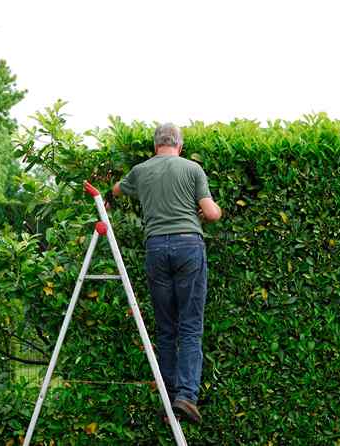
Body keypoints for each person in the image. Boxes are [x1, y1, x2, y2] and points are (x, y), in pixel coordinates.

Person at [111, 123, 222, 424]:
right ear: (180, 145)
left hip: (156, 247)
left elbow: (116, 190)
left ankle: (168, 396)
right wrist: (208, 212)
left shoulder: (141, 170)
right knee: (190, 325)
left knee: (166, 327)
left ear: (155, 145)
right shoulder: (192, 169)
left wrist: (122, 188)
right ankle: (186, 397)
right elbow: (211, 213)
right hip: (188, 245)